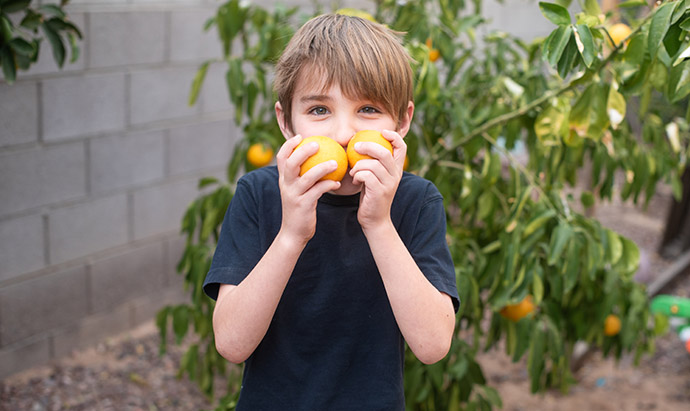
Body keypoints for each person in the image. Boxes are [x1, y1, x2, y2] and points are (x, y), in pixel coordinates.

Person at [203, 13, 459, 410]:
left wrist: (378, 223)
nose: (343, 134)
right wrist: (291, 235)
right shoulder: (259, 194)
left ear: (402, 121)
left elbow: (433, 344)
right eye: (320, 110)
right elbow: (232, 343)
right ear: (286, 122)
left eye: (369, 109)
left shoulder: (415, 202)